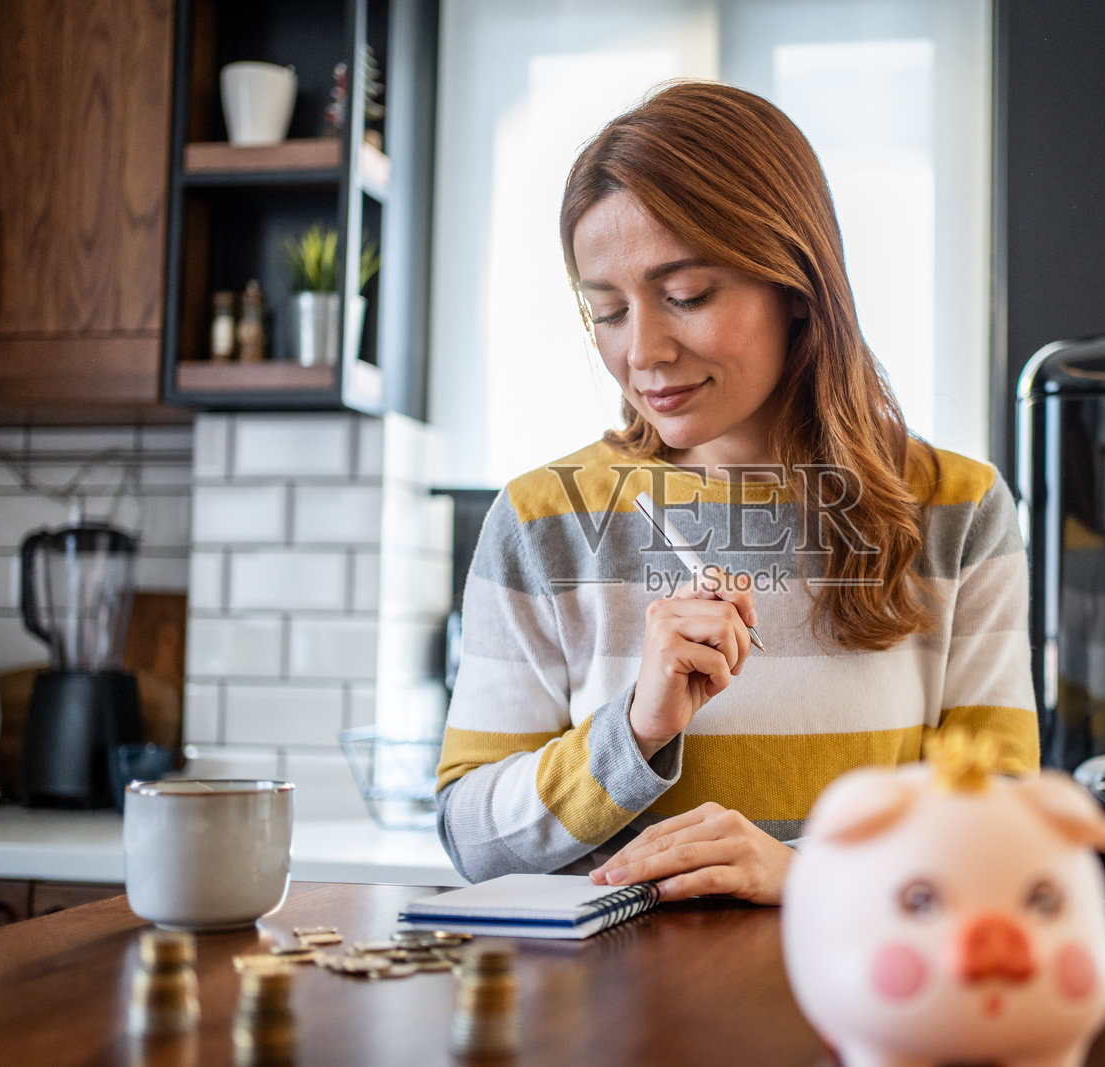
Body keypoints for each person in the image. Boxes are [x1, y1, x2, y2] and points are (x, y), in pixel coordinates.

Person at [435, 80, 1037, 906]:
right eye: (606, 312)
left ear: (795, 284)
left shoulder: (957, 510)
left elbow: (1001, 835)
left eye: (686, 296)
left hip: (856, 982)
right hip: (608, 990)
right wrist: (634, 730)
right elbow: (469, 838)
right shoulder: (545, 519)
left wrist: (809, 877)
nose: (642, 352)